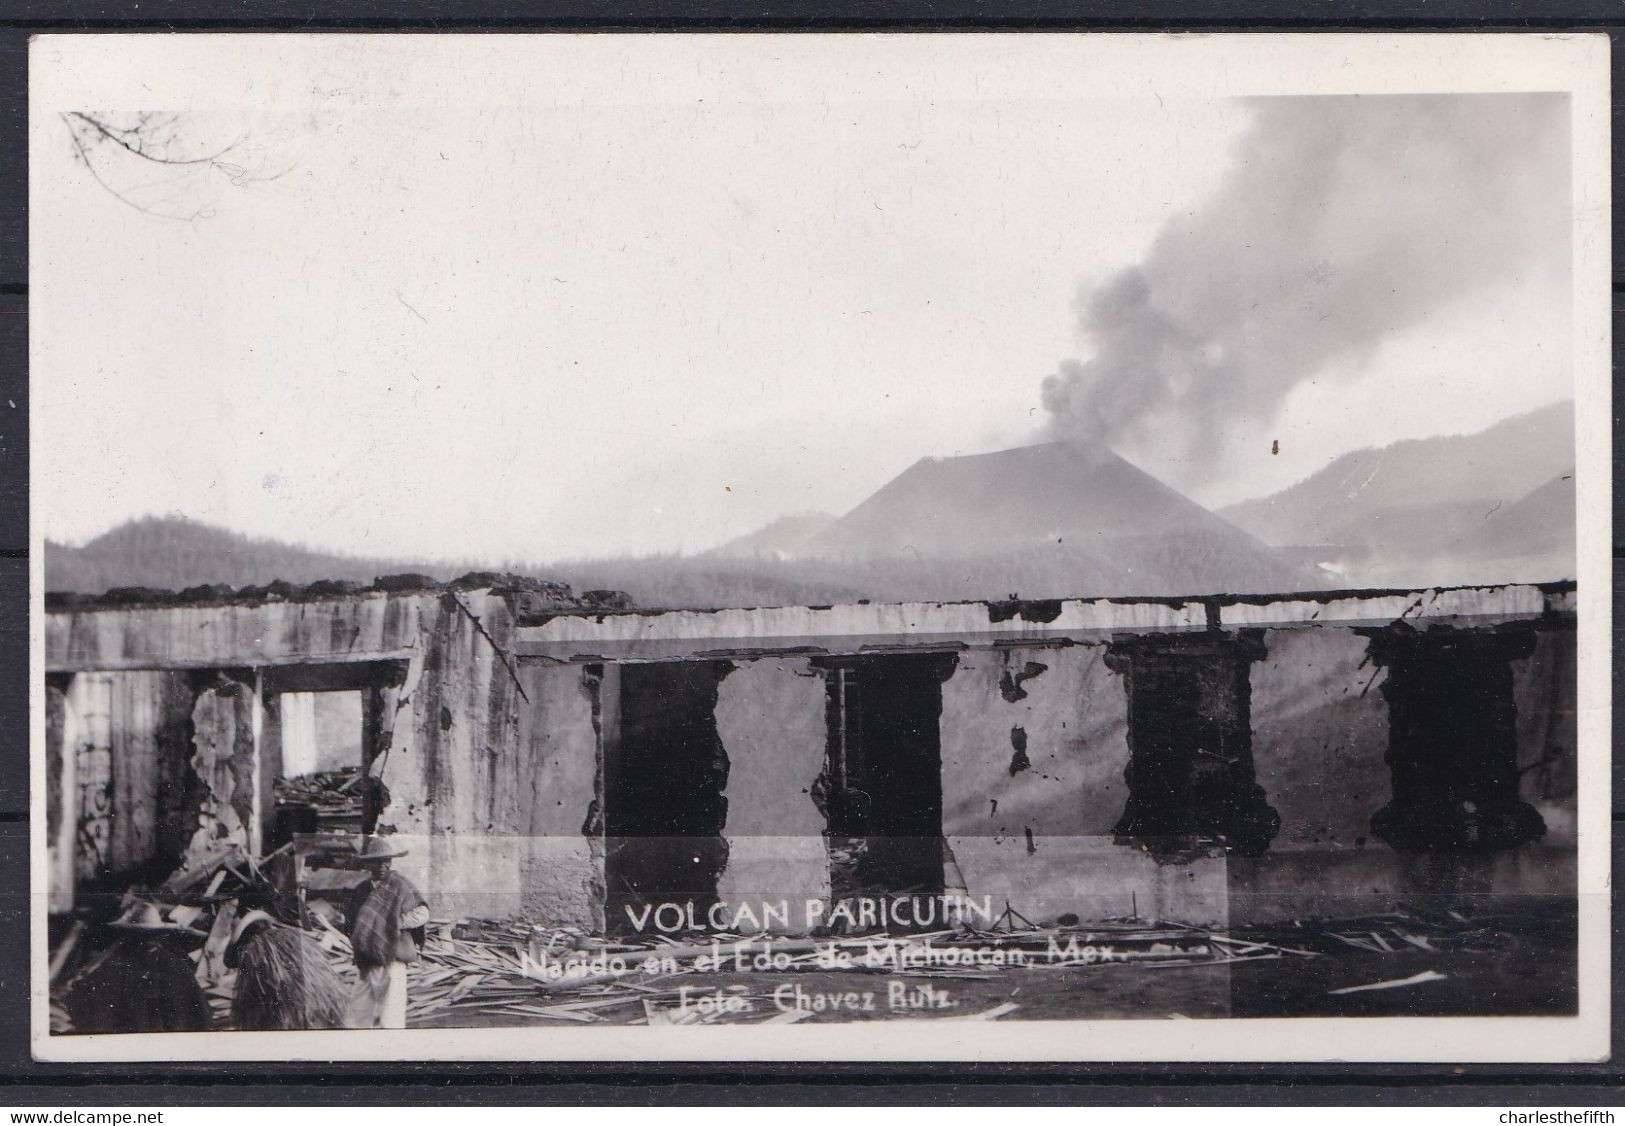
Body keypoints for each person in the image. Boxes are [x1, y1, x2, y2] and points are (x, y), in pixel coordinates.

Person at [65, 902, 212, 1034]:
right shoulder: (117, 963)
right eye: (141, 936)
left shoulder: (172, 965)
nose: (146, 941)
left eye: (150, 936)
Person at [342, 836, 428, 1029]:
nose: (382, 865)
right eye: (376, 861)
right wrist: (365, 936)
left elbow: (423, 913)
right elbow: (351, 924)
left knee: (391, 1014)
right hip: (368, 958)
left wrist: (391, 924)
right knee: (358, 1014)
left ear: (390, 862)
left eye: (385, 861)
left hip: (393, 956)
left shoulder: (400, 886)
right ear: (368, 864)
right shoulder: (361, 890)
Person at [225, 905, 348, 1031]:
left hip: (292, 1010)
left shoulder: (254, 954)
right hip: (320, 1001)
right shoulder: (291, 936)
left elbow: (256, 1005)